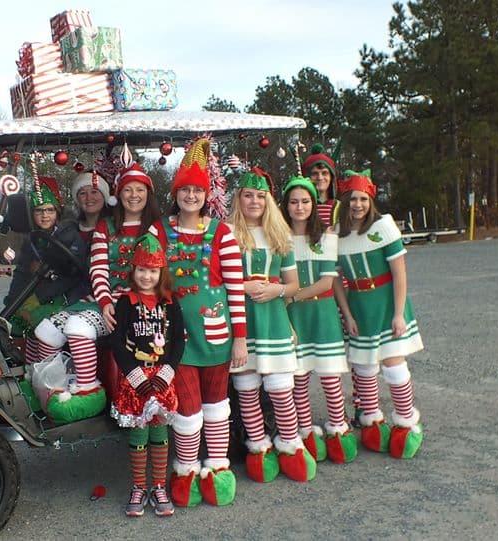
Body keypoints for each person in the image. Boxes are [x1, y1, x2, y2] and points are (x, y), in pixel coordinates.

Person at [148, 137, 246, 507]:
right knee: (187, 408)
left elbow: (235, 288)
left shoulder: (222, 232)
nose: (191, 196)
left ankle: (218, 467)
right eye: (185, 190)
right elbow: (148, 280)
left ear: (207, 194)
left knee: (217, 403)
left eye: (197, 190)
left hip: (217, 335)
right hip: (176, 337)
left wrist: (240, 338)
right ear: (176, 193)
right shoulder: (159, 231)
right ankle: (186, 469)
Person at [33, 154, 161, 424]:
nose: (133, 195)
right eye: (127, 190)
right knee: (45, 330)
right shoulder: (107, 226)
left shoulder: (157, 228)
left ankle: (88, 390)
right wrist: (104, 302)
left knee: (79, 327)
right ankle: (50, 388)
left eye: (139, 190)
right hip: (104, 301)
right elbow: (99, 269)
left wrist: (127, 301)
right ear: (118, 194)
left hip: (140, 304)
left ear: (148, 194)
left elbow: (159, 275)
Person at [227, 168, 316, 483]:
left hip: (275, 319)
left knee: (280, 389)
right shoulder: (226, 234)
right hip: (242, 322)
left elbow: (293, 285)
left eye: (260, 196)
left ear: (268, 201)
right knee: (247, 388)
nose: (254, 201)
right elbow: (217, 281)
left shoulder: (281, 235)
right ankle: (259, 448)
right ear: (239, 198)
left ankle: (291, 446)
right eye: (248, 195)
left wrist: (275, 290)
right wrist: (243, 287)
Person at [334, 170, 424, 459]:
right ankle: (372, 420)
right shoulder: (336, 235)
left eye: (362, 199)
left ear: (370, 200)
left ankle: (407, 421)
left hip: (386, 304)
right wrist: (347, 315)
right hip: (360, 307)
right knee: (363, 369)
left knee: (393, 365)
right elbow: (335, 279)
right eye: (352, 199)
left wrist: (399, 313)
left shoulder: (383, 227)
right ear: (344, 202)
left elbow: (399, 273)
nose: (357, 205)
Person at [280, 175, 358, 464]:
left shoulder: (326, 236)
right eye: (294, 202)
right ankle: (305, 434)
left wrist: (293, 296)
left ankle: (338, 430)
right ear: (285, 205)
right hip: (294, 317)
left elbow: (327, 282)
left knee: (329, 378)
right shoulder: (280, 239)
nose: (300, 207)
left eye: (305, 201)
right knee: (299, 379)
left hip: (321, 314)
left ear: (314, 204)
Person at [109, 235, 184, 518]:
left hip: (162, 378)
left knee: (159, 432)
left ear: (161, 272)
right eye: (141, 270)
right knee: (139, 431)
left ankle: (158, 486)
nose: (146, 276)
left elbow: (178, 341)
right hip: (136, 379)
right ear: (134, 271)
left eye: (152, 271)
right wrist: (136, 376)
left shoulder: (169, 302)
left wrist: (167, 372)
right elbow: (117, 342)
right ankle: (139, 486)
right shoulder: (126, 302)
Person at [4, 176, 90, 356]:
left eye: (50, 210)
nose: (45, 215)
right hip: (40, 294)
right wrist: (12, 300)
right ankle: (31, 369)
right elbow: (21, 273)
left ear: (57, 212)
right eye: (39, 211)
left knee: (37, 320)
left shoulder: (69, 236)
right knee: (14, 321)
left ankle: (49, 373)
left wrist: (40, 297)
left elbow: (74, 274)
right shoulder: (32, 241)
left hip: (68, 296)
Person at [301, 143, 339, 226]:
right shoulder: (300, 208)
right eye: (314, 173)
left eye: (324, 173)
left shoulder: (341, 207)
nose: (320, 177)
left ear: (331, 177)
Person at [72, 170, 115, 242]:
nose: (89, 198)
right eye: (83, 193)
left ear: (104, 197)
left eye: (94, 192)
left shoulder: (115, 228)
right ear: (77, 200)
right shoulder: (68, 230)